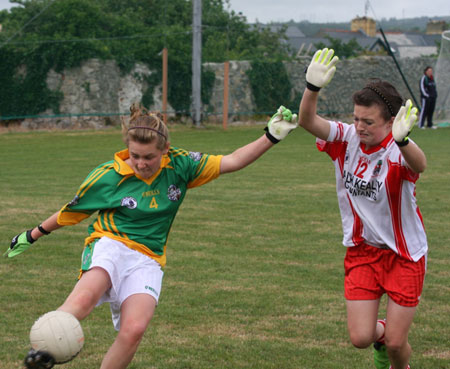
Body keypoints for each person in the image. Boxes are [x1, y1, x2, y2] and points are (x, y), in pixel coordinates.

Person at [5, 103, 298, 369]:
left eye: (149, 157)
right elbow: (71, 212)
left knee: (134, 330)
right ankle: (43, 352)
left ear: (166, 149)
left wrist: (270, 136)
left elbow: (232, 161)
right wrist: (31, 235)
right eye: (135, 156)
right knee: (83, 300)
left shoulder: (182, 165)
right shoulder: (108, 175)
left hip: (148, 256)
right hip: (110, 244)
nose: (142, 164)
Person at [298, 48, 428, 369]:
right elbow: (307, 121)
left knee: (398, 344)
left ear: (391, 122)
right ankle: (380, 337)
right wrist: (312, 89)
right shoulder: (346, 139)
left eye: (368, 121)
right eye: (356, 118)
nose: (359, 126)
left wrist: (404, 140)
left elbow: (421, 165)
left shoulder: (398, 151)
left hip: (404, 255)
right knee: (360, 338)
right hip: (362, 252)